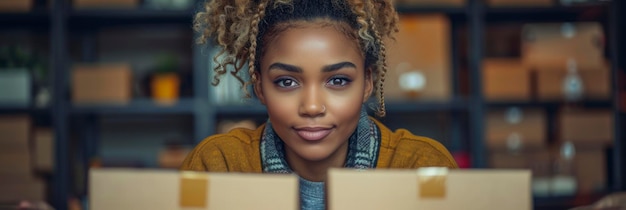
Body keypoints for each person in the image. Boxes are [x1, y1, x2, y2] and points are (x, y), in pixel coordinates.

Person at [181, 0, 458, 209]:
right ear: (259, 87)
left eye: (337, 81)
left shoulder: (420, 167)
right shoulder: (220, 165)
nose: (312, 107)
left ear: (368, 83)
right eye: (287, 82)